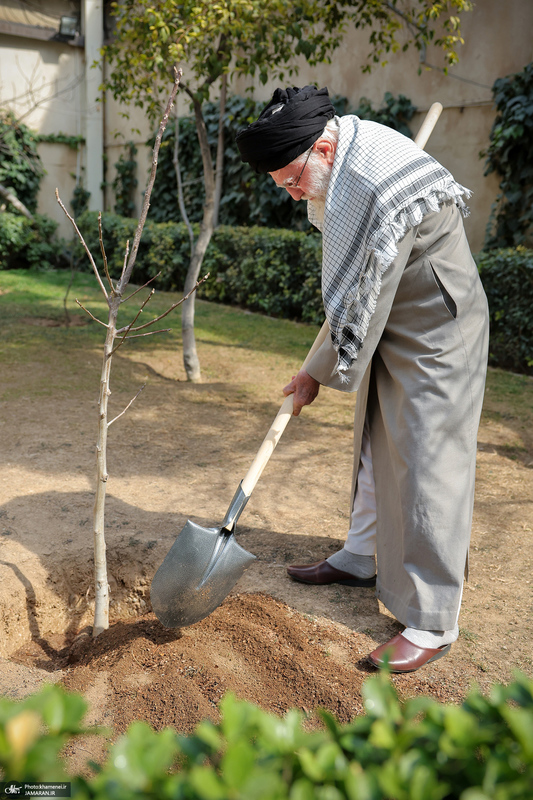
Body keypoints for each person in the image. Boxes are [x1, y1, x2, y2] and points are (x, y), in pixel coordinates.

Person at [235, 86, 489, 673]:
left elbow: (359, 300)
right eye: (281, 183)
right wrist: (311, 371)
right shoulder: (341, 163)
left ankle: (431, 621)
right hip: (396, 314)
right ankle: (359, 556)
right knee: (375, 440)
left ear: (323, 146)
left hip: (436, 332)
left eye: (292, 178)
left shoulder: (369, 184)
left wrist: (318, 373)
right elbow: (358, 293)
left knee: (430, 462)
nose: (290, 191)